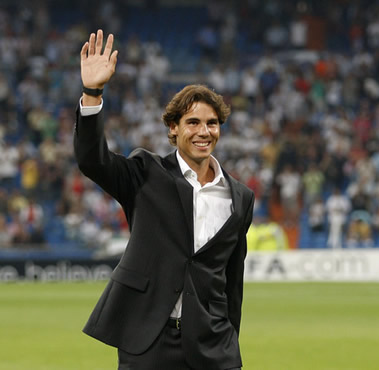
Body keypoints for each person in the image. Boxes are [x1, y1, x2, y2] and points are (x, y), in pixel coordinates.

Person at [74, 30, 255, 370]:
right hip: (149, 341)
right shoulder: (146, 173)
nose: (204, 131)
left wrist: (230, 337)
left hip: (212, 345)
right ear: (173, 128)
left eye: (212, 123)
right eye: (193, 123)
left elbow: (233, 279)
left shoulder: (241, 197)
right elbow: (91, 160)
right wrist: (92, 93)